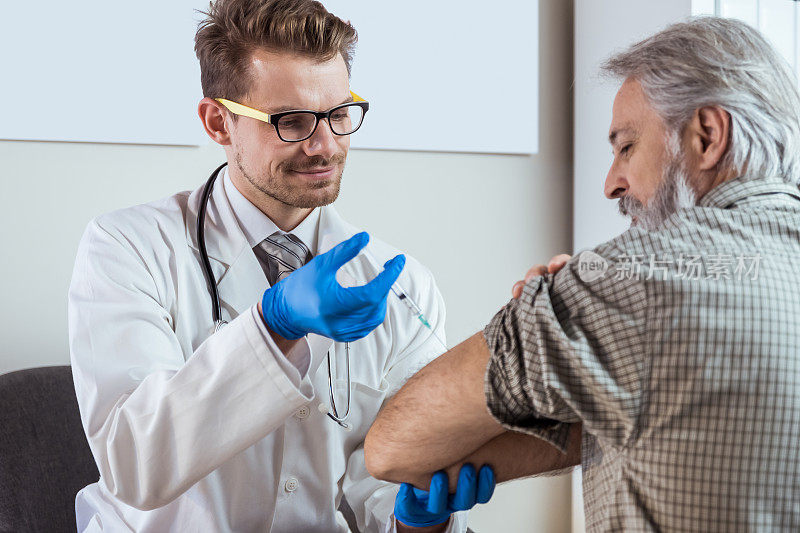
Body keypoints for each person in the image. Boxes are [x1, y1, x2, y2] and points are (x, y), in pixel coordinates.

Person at [68, 1, 492, 531]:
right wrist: (272, 327)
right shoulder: (128, 247)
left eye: (339, 115)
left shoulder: (399, 283)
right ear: (218, 122)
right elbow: (135, 464)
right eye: (292, 121)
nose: (325, 145)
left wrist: (422, 521)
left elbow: (388, 484)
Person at [364, 17, 800, 532]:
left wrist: (570, 309)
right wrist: (586, 360)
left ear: (707, 135)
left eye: (626, 146)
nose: (612, 183)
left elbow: (392, 449)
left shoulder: (634, 279)